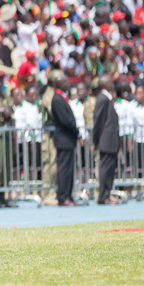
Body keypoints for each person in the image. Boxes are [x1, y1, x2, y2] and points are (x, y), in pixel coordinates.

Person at [48, 72, 80, 207]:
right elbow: (66, 121)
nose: (68, 83)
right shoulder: (57, 99)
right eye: (65, 81)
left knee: (69, 170)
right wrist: (77, 132)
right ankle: (63, 197)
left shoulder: (62, 97)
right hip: (63, 139)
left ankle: (68, 195)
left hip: (68, 139)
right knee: (64, 169)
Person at [92, 75, 120, 205]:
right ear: (103, 84)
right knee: (105, 170)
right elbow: (98, 121)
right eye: (109, 82)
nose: (111, 83)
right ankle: (103, 196)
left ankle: (106, 194)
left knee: (109, 170)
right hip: (106, 141)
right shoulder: (102, 99)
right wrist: (95, 140)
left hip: (110, 141)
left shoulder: (107, 98)